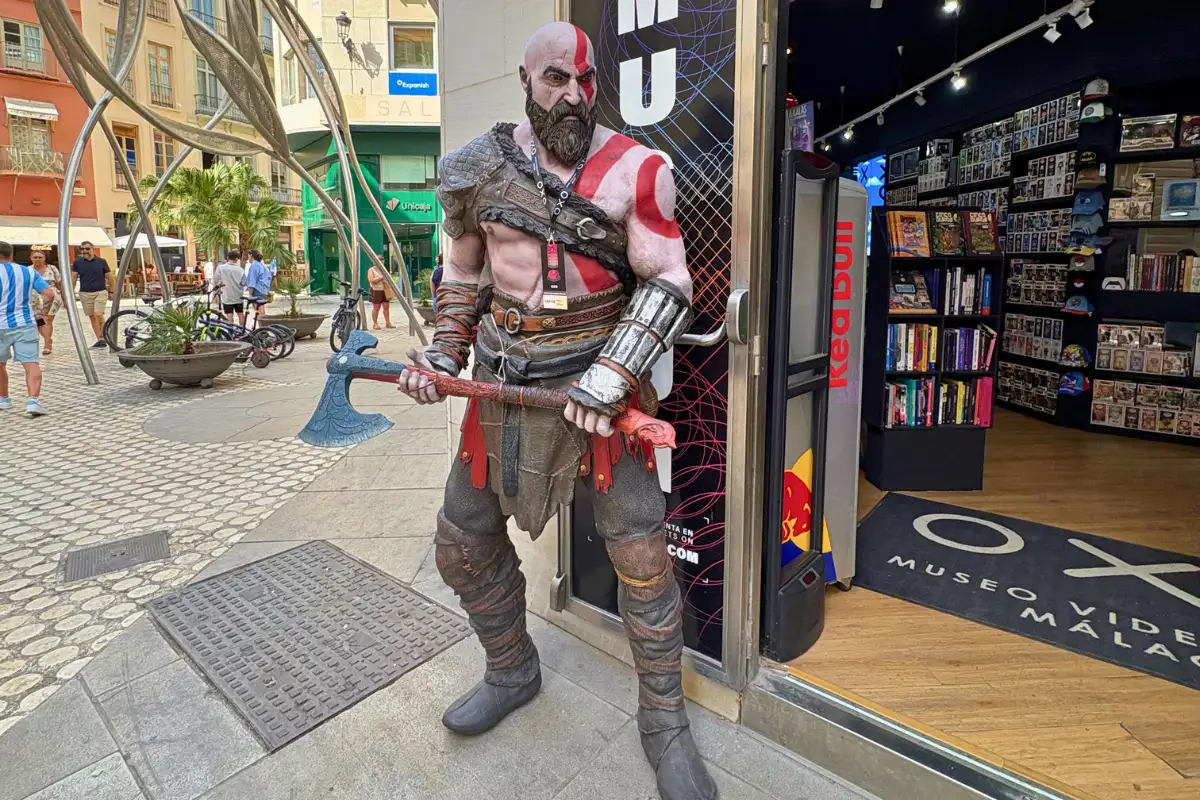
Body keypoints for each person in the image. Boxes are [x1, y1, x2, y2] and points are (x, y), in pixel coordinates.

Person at [398, 23, 715, 800]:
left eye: (583, 80)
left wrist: (613, 377)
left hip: (600, 392)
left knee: (642, 562)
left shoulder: (639, 170)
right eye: (554, 79)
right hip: (504, 387)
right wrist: (443, 354)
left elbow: (669, 279)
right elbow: (465, 275)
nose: (571, 94)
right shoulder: (476, 167)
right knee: (460, 544)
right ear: (525, 79)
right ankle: (511, 671)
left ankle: (664, 724)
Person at [0, 241, 57, 416]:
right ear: (12, 254)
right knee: (31, 363)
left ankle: (4, 399)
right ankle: (33, 401)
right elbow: (49, 293)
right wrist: (41, 312)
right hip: (25, 323)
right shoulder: (28, 272)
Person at [71, 241, 113, 348]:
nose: (85, 251)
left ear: (92, 249)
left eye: (87, 249)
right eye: (82, 249)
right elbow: (74, 278)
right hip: (85, 292)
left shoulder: (101, 261)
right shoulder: (77, 262)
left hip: (100, 291)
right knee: (92, 316)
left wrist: (112, 290)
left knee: (98, 314)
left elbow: (109, 277)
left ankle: (104, 336)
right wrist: (70, 292)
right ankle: (100, 339)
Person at [29, 250, 62, 355]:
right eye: (35, 257)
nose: (37, 259)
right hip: (34, 298)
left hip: (51, 296)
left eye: (40, 257)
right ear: (31, 258)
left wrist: (65, 298)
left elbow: (59, 283)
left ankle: (47, 344)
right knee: (39, 322)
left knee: (47, 320)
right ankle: (48, 338)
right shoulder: (28, 270)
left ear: (44, 258)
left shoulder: (52, 269)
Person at [213, 251, 246, 326]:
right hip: (238, 296)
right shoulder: (240, 270)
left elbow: (215, 279)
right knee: (240, 314)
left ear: (227, 258)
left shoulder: (221, 268)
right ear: (237, 259)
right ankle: (243, 331)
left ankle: (231, 332)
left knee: (229, 315)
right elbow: (244, 283)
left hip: (227, 296)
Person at [244, 249, 272, 325]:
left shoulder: (254, 266)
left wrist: (250, 294)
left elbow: (252, 282)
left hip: (257, 290)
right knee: (262, 310)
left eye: (248, 256)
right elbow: (269, 277)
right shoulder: (262, 265)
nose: (248, 258)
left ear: (251, 256)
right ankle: (264, 328)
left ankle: (262, 329)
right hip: (263, 289)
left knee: (258, 311)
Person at [366, 263, 395, 330]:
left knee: (386, 306)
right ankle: (375, 324)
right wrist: (381, 277)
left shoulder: (384, 269)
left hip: (385, 290)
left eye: (382, 262)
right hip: (376, 290)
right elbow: (372, 280)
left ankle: (388, 323)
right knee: (376, 307)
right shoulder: (371, 270)